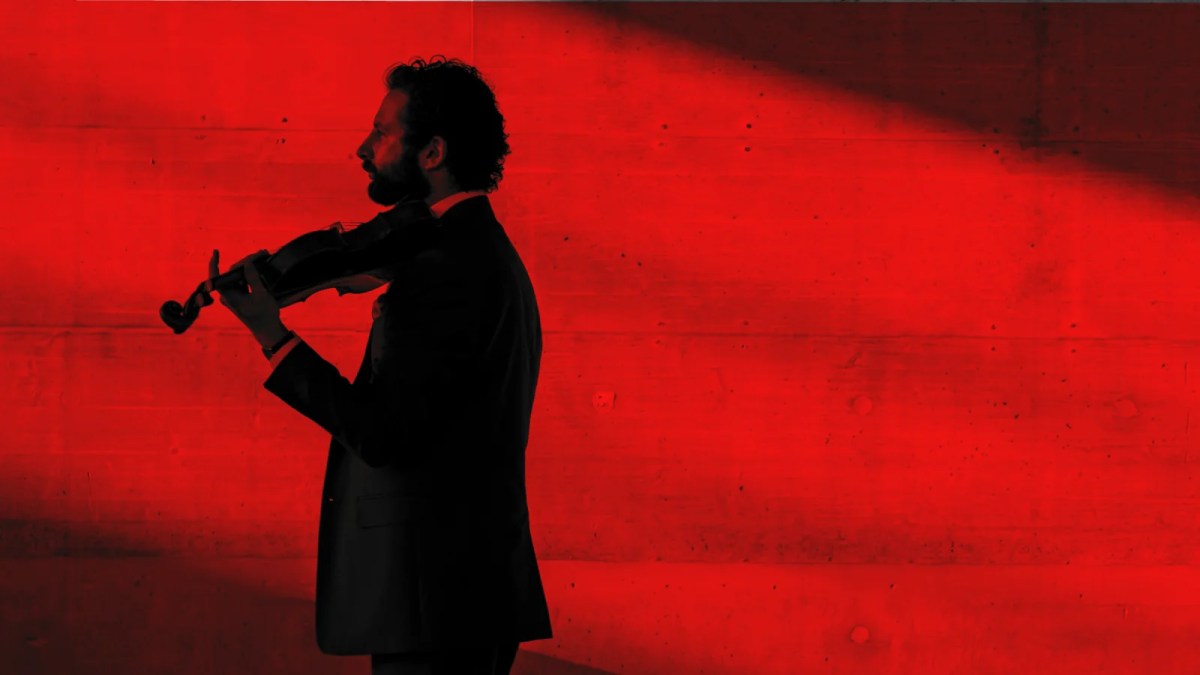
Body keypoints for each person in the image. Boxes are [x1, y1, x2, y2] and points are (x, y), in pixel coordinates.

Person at [208, 56, 553, 675]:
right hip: (463, 592)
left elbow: (381, 432)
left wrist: (272, 336)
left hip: (432, 597)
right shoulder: (478, 251)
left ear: (433, 152)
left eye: (382, 132)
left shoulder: (445, 271)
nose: (364, 149)